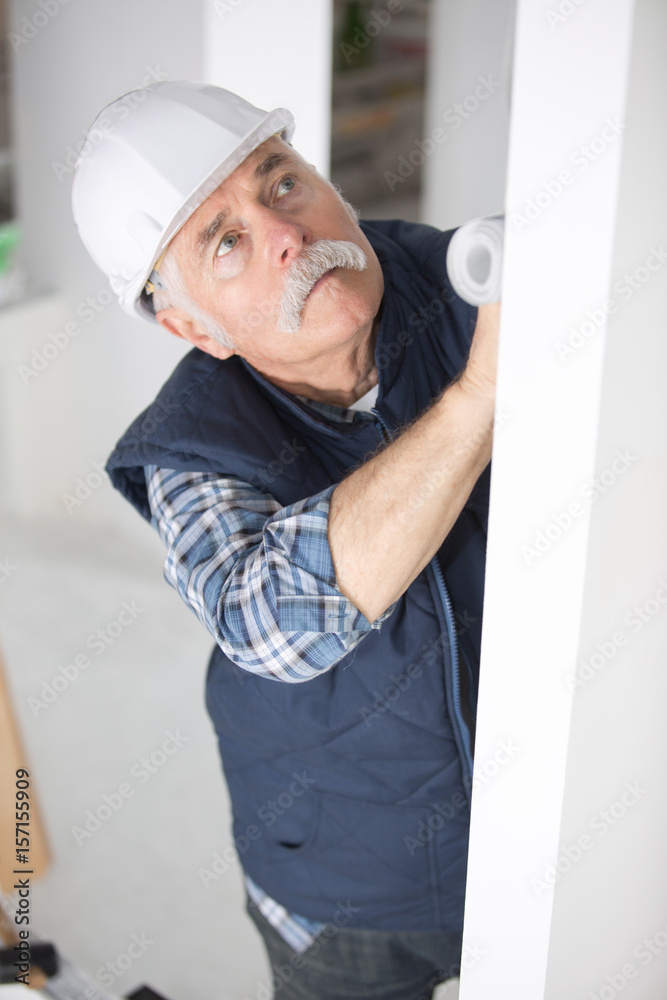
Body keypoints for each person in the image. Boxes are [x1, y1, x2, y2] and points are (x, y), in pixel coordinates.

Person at [72, 80, 499, 1000]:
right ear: (190, 326)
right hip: (337, 890)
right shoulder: (193, 447)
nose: (287, 235)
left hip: (535, 828)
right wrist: (476, 404)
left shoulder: (469, 280)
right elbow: (267, 621)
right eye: (225, 242)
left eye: (280, 183)